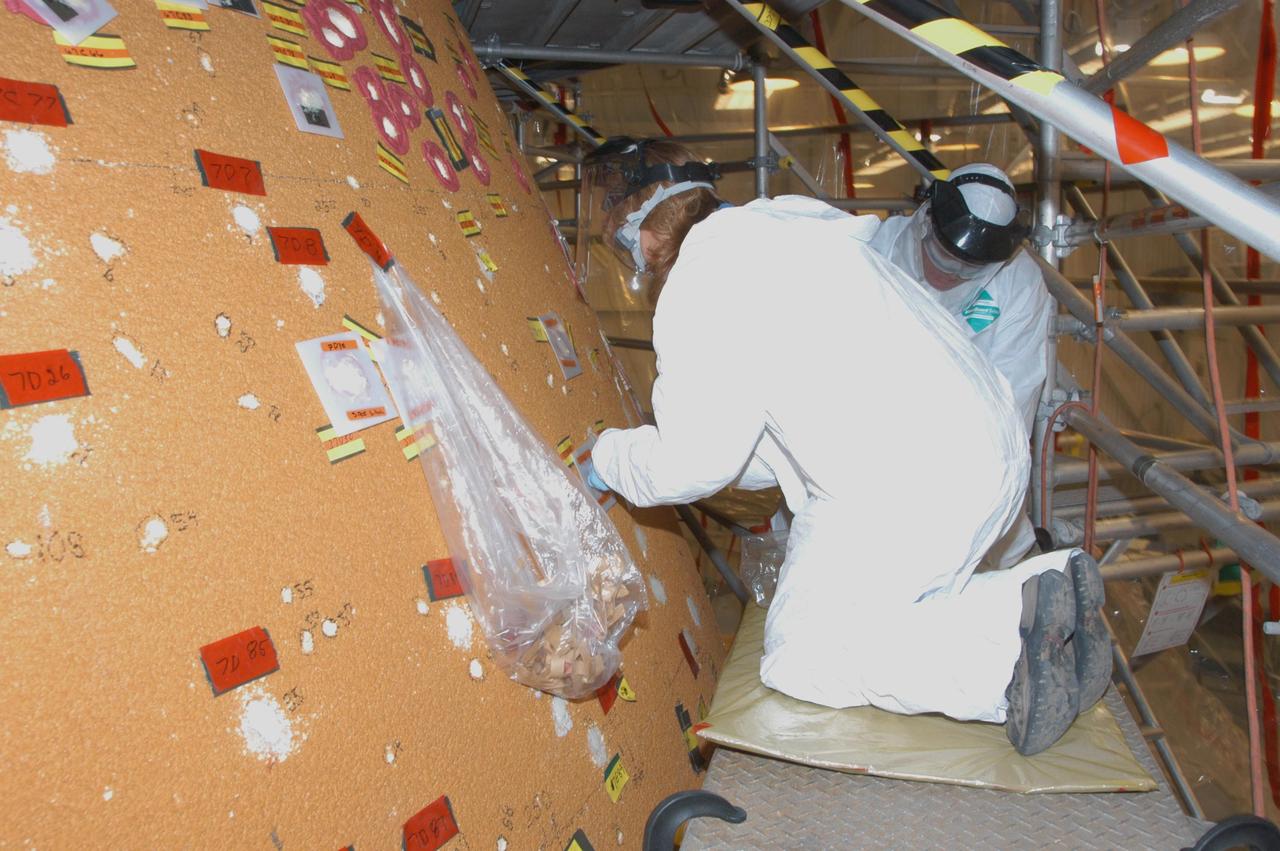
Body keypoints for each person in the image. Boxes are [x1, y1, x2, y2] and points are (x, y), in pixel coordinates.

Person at [575, 138, 1109, 755]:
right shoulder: (790, 235)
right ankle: (1044, 586)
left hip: (904, 483)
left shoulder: (703, 282)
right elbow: (758, 444)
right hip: (982, 456)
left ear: (642, 233)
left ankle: (1006, 665)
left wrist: (607, 459)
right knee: (908, 605)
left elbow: (695, 463)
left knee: (802, 656)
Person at [870, 164, 1054, 568]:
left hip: (960, 484)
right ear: (927, 220)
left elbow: (1008, 410)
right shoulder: (870, 251)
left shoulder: (1018, 286)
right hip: (861, 474)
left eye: (967, 268)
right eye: (942, 255)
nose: (948, 274)